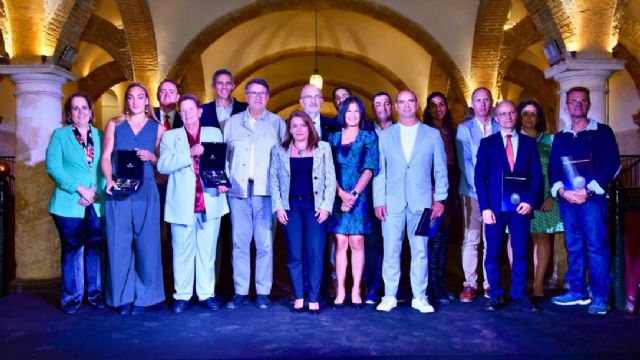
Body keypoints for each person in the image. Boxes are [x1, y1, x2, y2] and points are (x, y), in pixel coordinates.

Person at [374, 90, 448, 314]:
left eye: (410, 101)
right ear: (396, 107)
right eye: (402, 102)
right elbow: (380, 172)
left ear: (416, 105)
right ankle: (389, 296)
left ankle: (419, 296)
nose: (406, 106)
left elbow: (441, 170)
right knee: (391, 250)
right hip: (392, 201)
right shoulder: (386, 136)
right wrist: (378, 200)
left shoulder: (432, 135)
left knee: (420, 251)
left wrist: (440, 199)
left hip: (423, 202)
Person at [549, 86, 621, 315]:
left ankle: (600, 297)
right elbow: (554, 168)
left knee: (597, 247)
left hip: (593, 200)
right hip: (568, 200)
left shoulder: (603, 132)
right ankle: (577, 291)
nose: (577, 104)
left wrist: (588, 192)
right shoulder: (560, 137)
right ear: (567, 105)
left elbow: (612, 164)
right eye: (573, 101)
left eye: (582, 100)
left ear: (588, 104)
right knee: (574, 246)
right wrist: (562, 192)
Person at [157, 94, 230, 314]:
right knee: (181, 251)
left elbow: (222, 162)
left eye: (192, 109)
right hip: (182, 203)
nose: (188, 113)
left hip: (210, 200)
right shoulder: (171, 137)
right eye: (184, 110)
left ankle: (206, 293)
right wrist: (188, 153)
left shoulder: (213, 133)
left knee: (207, 252)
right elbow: (162, 166)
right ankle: (182, 295)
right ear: (180, 113)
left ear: (199, 111)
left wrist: (222, 182)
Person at [101, 83, 165, 315]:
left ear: (147, 100)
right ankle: (122, 297)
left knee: (147, 244)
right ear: (126, 101)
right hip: (120, 190)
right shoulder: (114, 124)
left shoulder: (158, 128)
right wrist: (108, 179)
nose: (136, 101)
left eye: (140, 97)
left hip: (147, 190)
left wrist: (153, 157)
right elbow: (106, 156)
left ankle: (144, 297)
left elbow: (164, 166)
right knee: (119, 244)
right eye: (131, 97)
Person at [222, 78, 286, 309]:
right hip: (238, 192)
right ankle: (240, 291)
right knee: (239, 244)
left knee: (265, 244)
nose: (258, 97)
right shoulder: (231, 123)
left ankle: (262, 291)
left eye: (262, 94)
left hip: (266, 192)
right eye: (253, 93)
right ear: (246, 96)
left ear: (267, 97)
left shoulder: (277, 124)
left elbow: (283, 160)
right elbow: (224, 157)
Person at [475, 100, 543, 312]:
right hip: (494, 208)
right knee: (493, 251)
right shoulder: (487, 143)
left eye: (512, 113)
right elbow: (479, 178)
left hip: (521, 207)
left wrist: (530, 201)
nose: (508, 117)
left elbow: (537, 177)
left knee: (521, 251)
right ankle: (495, 294)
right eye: (503, 114)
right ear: (496, 118)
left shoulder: (529, 143)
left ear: (517, 115)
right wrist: (485, 208)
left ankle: (519, 295)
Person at [270, 110, 336, 314]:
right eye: (294, 125)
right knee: (294, 254)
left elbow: (330, 180)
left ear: (310, 127)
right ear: (289, 128)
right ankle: (299, 296)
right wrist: (279, 207)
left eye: (303, 125)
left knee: (316, 252)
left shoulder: (323, 148)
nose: (299, 129)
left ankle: (314, 297)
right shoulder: (279, 150)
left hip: (315, 208)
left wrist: (326, 206)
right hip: (291, 209)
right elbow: (273, 179)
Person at [46, 93, 106, 314]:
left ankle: (95, 294)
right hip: (69, 203)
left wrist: (94, 192)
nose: (80, 112)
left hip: (97, 202)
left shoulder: (101, 135)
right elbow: (54, 168)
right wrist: (80, 190)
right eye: (75, 108)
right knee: (72, 250)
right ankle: (72, 298)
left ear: (91, 111)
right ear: (69, 113)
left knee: (95, 249)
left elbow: (106, 166)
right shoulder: (60, 135)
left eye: (84, 107)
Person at [328, 96, 379, 309]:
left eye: (356, 111)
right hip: (337, 195)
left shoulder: (369, 137)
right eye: (348, 111)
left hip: (360, 196)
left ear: (361, 114)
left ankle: (356, 289)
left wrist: (354, 195)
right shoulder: (331, 138)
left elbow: (370, 167)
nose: (352, 115)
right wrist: (340, 194)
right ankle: (340, 289)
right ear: (342, 113)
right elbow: (328, 170)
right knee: (340, 243)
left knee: (357, 242)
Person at [513, 100, 564, 302]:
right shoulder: (512, 139)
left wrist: (551, 196)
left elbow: (555, 169)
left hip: (544, 196)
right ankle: (519, 283)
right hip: (516, 197)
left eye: (533, 114)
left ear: (539, 117)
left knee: (541, 238)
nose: (528, 118)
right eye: (524, 113)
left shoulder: (549, 141)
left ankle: (538, 284)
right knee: (515, 239)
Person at [455, 87, 499, 302]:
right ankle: (470, 283)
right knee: (471, 238)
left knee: (491, 238)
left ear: (492, 102)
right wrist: (481, 188)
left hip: (497, 192)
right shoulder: (464, 129)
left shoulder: (500, 126)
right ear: (472, 104)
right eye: (478, 100)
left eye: (486, 100)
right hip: (472, 191)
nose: (482, 104)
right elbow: (465, 162)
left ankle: (490, 283)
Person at [423, 91, 459, 305]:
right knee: (430, 237)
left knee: (443, 237)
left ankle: (439, 281)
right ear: (428, 109)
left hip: (451, 185)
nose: (438, 109)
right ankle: (429, 284)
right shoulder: (424, 131)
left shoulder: (453, 132)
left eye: (441, 104)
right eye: (433, 105)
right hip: (430, 187)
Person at [363, 91, 394, 305]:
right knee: (372, 244)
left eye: (386, 103)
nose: (382, 107)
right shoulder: (366, 133)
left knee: (396, 244)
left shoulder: (402, 131)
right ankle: (374, 285)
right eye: (377, 104)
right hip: (371, 196)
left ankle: (397, 286)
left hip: (397, 195)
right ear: (373, 109)